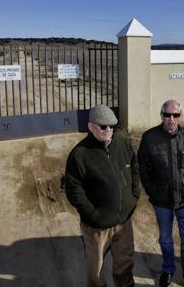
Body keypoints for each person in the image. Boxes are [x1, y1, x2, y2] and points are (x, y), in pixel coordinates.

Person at [64, 104, 140, 287]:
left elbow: (134, 169)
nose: (109, 130)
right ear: (91, 127)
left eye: (112, 126)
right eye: (103, 126)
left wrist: (134, 195)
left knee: (125, 261)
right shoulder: (79, 155)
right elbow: (74, 190)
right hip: (97, 227)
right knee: (95, 268)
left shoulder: (122, 143)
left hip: (123, 221)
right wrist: (92, 214)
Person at [138, 99, 184, 287]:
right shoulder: (149, 138)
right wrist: (152, 190)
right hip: (162, 201)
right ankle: (168, 269)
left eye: (175, 115)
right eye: (167, 115)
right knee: (165, 239)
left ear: (181, 116)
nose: (171, 119)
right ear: (162, 116)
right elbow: (143, 167)